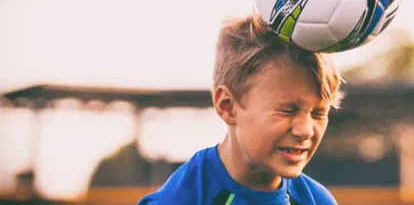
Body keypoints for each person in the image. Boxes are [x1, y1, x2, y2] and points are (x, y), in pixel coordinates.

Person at [138, 13, 342, 204]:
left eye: (318, 113)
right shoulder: (180, 199)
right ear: (227, 106)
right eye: (287, 110)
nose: (305, 130)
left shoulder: (317, 200)